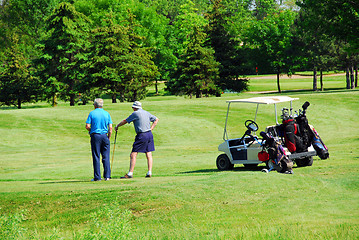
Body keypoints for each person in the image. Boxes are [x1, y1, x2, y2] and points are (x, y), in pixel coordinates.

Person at [115, 101, 159, 178]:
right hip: (149, 134)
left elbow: (125, 121)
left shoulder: (135, 114)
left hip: (141, 135)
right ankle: (149, 172)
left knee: (133, 154)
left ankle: (130, 174)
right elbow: (156, 119)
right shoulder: (146, 112)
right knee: (148, 153)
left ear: (135, 107)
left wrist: (117, 126)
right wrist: (151, 129)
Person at [86, 98, 113, 181]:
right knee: (106, 156)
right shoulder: (106, 113)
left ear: (95, 105)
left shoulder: (92, 113)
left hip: (95, 136)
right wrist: (108, 137)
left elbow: (87, 126)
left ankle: (97, 177)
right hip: (104, 136)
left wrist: (91, 130)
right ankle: (107, 176)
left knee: (96, 156)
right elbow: (110, 128)